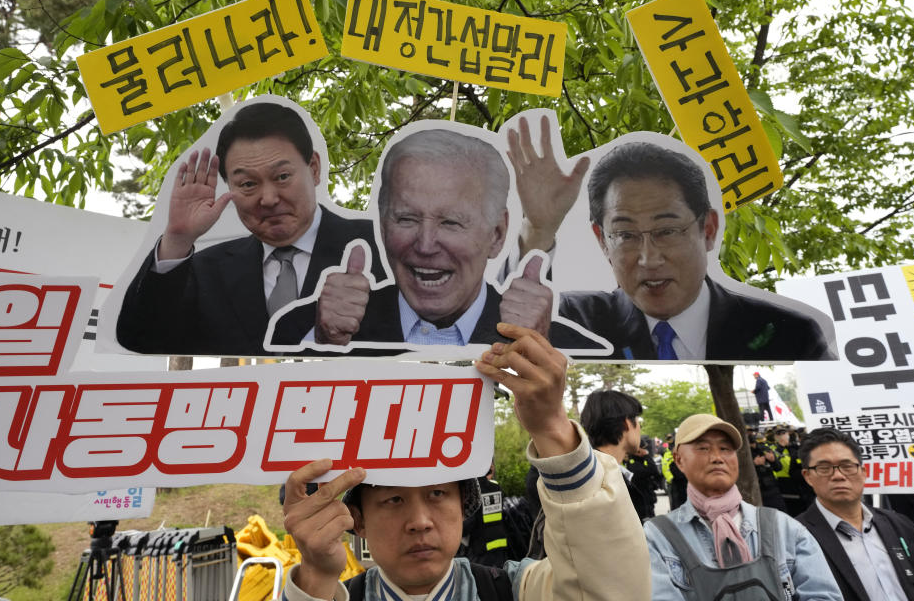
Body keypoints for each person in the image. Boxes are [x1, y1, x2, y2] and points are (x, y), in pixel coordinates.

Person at [279, 324, 651, 601]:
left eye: (439, 493)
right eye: (393, 499)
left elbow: (612, 589)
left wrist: (553, 430)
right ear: (357, 520)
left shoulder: (517, 590)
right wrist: (314, 577)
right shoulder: (327, 594)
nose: (420, 522)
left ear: (464, 506)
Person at [505, 135, 834, 360]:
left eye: (667, 231)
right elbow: (490, 328)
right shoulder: (570, 321)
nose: (648, 259)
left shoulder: (789, 335)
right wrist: (538, 228)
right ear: (602, 240)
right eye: (626, 235)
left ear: (708, 229)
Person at [295, 127, 605, 349]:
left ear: (497, 234)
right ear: (382, 224)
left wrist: (536, 353)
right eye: (406, 219)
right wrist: (326, 343)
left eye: (451, 222)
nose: (426, 245)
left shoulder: (561, 345)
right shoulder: (306, 328)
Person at [116, 101, 383, 355]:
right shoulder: (205, 270)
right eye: (247, 184)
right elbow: (139, 339)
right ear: (229, 187)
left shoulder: (386, 246)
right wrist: (177, 239)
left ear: (313, 168)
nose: (268, 199)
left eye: (282, 177)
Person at [644, 413, 842, 600]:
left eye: (725, 449)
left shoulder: (785, 528)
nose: (717, 457)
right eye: (703, 448)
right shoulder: (657, 537)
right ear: (679, 459)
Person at [796, 427, 914, 601]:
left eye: (847, 466)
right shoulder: (795, 538)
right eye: (824, 468)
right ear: (808, 476)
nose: (838, 475)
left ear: (863, 472)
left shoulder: (899, 524)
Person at [579, 389, 652, 521]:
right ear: (627, 424)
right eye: (638, 421)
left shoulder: (585, 474)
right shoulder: (605, 483)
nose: (640, 428)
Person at [771, 426, 811, 516]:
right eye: (778, 434)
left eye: (784, 433)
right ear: (775, 437)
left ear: (788, 435)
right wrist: (781, 446)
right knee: (792, 509)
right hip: (784, 482)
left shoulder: (795, 447)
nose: (782, 436)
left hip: (801, 483)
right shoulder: (773, 449)